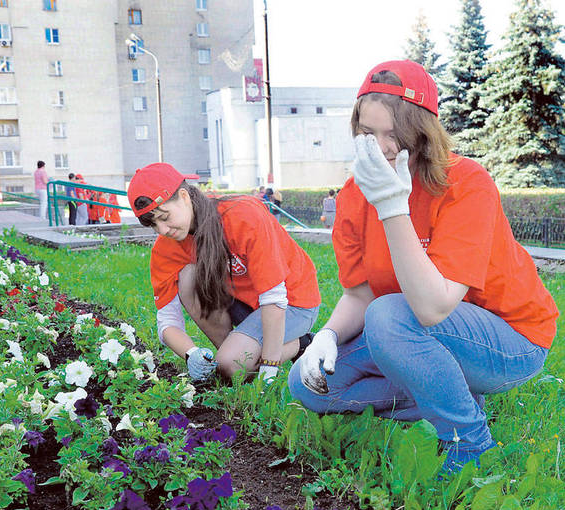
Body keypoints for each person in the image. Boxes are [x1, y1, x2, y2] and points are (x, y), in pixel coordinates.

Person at [288, 60, 559, 473]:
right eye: (367, 133)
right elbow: (360, 293)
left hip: (509, 340)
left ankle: (470, 446)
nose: (379, 147)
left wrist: (392, 206)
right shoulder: (352, 195)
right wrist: (326, 334)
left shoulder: (466, 182)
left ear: (421, 129)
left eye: (392, 134)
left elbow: (433, 308)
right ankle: (439, 391)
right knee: (309, 385)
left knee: (391, 314)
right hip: (414, 333)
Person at [127, 163, 321, 383]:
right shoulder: (165, 247)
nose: (162, 230)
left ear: (184, 196)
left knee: (230, 365)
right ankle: (237, 350)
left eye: (164, 217)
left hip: (292, 301)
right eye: (153, 224)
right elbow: (167, 320)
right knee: (188, 279)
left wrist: (269, 367)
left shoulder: (242, 215)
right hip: (244, 303)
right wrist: (191, 354)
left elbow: (274, 297)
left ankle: (300, 345)